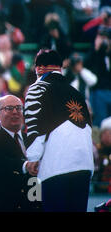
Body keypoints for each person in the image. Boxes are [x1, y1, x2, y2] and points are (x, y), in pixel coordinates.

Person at [24, 49, 94, 212]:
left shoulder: (37, 88)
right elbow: (88, 127)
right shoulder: (77, 93)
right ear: (60, 68)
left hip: (57, 166)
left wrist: (32, 159)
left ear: (39, 68)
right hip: (84, 166)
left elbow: (35, 129)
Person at [0, 95, 41, 212]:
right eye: (9, 108)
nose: (15, 112)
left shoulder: (34, 139)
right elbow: (1, 163)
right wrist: (26, 165)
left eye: (19, 108)